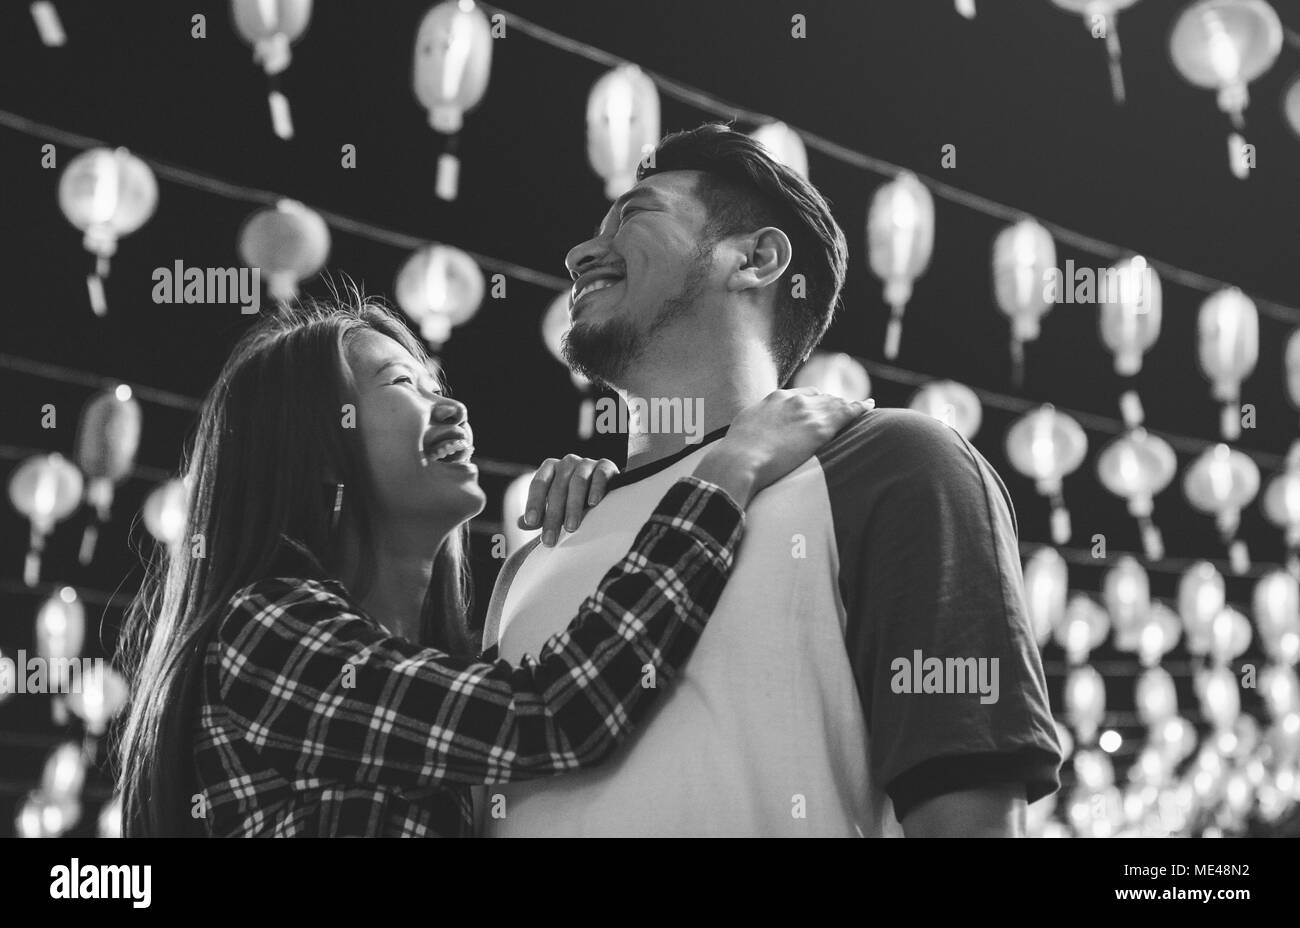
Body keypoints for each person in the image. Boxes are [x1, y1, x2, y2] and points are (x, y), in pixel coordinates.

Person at [481, 124, 1064, 837]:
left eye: (633, 216)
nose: (579, 254)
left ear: (756, 259)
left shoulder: (890, 464)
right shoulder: (536, 550)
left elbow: (966, 815)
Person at [114, 294, 866, 837]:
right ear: (309, 449)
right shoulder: (264, 631)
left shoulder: (437, 662)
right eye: (401, 385)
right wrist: (730, 469)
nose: (452, 409)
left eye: (437, 383)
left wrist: (612, 520)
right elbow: (556, 713)